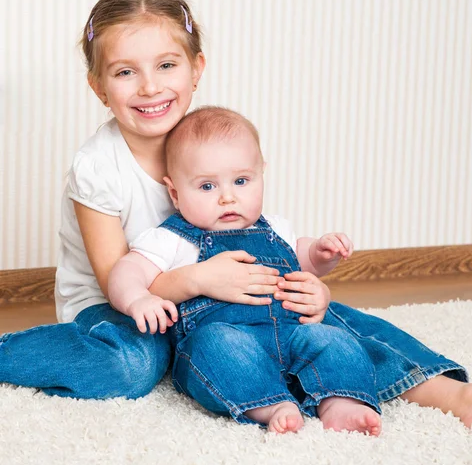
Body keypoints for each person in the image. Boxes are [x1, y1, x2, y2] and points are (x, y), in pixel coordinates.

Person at [0, 0, 472, 431]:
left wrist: (308, 276)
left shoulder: (212, 143)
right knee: (132, 366)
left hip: (219, 300)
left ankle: (464, 397)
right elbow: (113, 280)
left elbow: (264, 241)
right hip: (126, 307)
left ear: (196, 69)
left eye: (167, 65)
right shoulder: (98, 166)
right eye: (126, 73)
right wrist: (196, 279)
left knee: (322, 320)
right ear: (100, 88)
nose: (150, 87)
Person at [109, 106, 384, 435]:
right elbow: (127, 270)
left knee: (334, 340)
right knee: (213, 345)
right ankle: (270, 404)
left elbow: (303, 261)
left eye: (241, 181)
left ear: (261, 174)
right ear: (175, 193)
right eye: (207, 187)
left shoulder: (276, 228)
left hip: (293, 334)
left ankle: (340, 403)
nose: (228, 198)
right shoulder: (173, 238)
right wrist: (137, 298)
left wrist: (322, 253)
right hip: (228, 339)